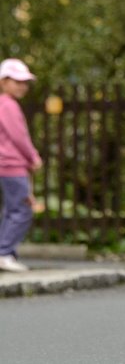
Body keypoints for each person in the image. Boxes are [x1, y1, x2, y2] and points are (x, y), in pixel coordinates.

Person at [0, 58, 42, 273]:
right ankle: (4, 253)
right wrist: (32, 157)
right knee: (22, 210)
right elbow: (19, 136)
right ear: (4, 81)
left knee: (11, 210)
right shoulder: (8, 105)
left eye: (25, 82)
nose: (22, 86)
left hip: (6, 165)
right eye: (17, 82)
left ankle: (5, 252)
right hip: (12, 165)